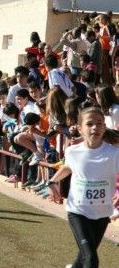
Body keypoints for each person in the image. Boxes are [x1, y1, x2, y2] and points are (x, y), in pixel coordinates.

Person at [47, 107, 118, 268]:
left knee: (83, 257)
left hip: (102, 213)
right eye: (90, 124)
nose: (95, 127)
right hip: (78, 212)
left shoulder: (114, 153)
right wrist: (52, 182)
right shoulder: (73, 151)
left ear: (104, 127)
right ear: (80, 128)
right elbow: (69, 167)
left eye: (99, 123)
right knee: (91, 259)